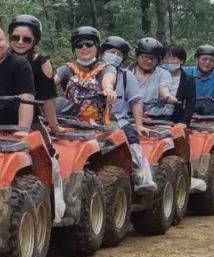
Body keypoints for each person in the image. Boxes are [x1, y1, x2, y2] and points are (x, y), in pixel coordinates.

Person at [100, 35, 156, 189]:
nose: (115, 57)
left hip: (118, 120)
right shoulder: (90, 71)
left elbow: (136, 101)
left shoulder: (125, 75)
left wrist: (139, 125)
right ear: (102, 52)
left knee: (133, 142)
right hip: (86, 121)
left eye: (119, 54)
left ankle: (142, 177)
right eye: (112, 52)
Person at [54, 26, 114, 123]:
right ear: (74, 49)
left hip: (98, 126)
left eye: (89, 44)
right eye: (79, 44)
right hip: (68, 123)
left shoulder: (106, 68)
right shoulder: (66, 69)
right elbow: (51, 82)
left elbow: (108, 80)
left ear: (97, 46)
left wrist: (108, 90)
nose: (84, 47)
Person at [7, 15, 58, 127]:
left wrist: (55, 127)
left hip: (30, 120)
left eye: (26, 39)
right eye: (15, 38)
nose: (20, 42)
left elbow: (47, 100)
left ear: (34, 41)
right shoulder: (0, 59)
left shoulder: (42, 63)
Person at [154, 43, 196, 124]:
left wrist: (183, 123)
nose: (169, 62)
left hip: (177, 118)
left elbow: (190, 104)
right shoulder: (156, 74)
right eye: (166, 59)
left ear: (181, 60)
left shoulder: (188, 79)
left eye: (173, 59)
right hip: (155, 115)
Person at [184, 44, 214, 117]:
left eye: (211, 60)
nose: (207, 62)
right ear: (196, 59)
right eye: (204, 59)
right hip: (186, 113)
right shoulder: (186, 72)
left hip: (209, 115)